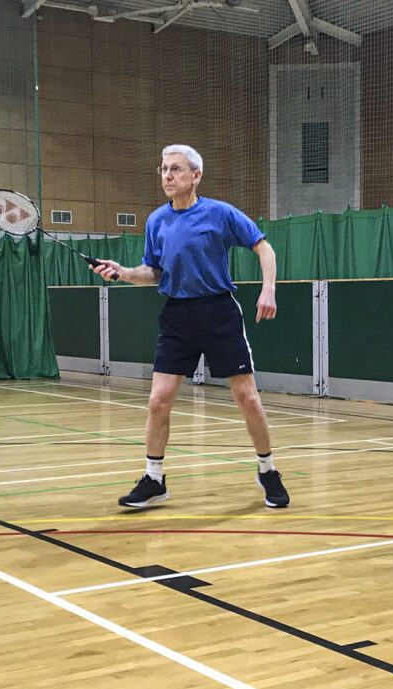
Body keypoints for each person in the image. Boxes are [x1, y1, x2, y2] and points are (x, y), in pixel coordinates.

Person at [91, 144, 289, 510]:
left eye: (176, 169)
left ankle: (268, 469)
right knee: (158, 400)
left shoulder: (220, 213)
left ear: (195, 176)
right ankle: (154, 478)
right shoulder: (156, 221)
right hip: (177, 316)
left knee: (247, 398)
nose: (168, 176)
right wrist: (122, 272)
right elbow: (153, 272)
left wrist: (268, 289)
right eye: (164, 169)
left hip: (218, 313)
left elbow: (264, 248)